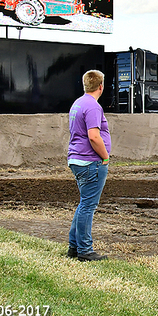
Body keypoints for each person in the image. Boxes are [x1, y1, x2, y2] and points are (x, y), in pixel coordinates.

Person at [67, 70, 111, 262]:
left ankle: (74, 246)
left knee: (84, 203)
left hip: (77, 159)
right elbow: (94, 136)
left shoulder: (77, 103)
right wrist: (105, 157)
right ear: (101, 86)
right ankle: (85, 249)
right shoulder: (93, 107)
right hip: (90, 161)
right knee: (88, 205)